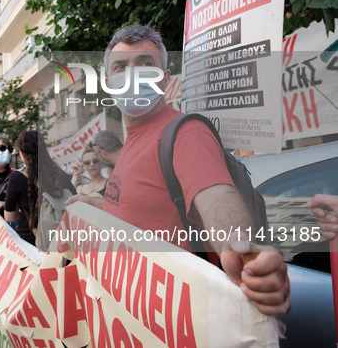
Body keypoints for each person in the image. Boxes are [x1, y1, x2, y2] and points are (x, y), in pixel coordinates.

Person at [99, 24, 289, 316]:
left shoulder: (186, 133)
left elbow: (216, 197)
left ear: (164, 80)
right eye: (121, 66)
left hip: (180, 320)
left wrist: (244, 254)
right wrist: (92, 205)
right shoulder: (131, 142)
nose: (132, 74)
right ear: (108, 81)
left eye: (145, 63)